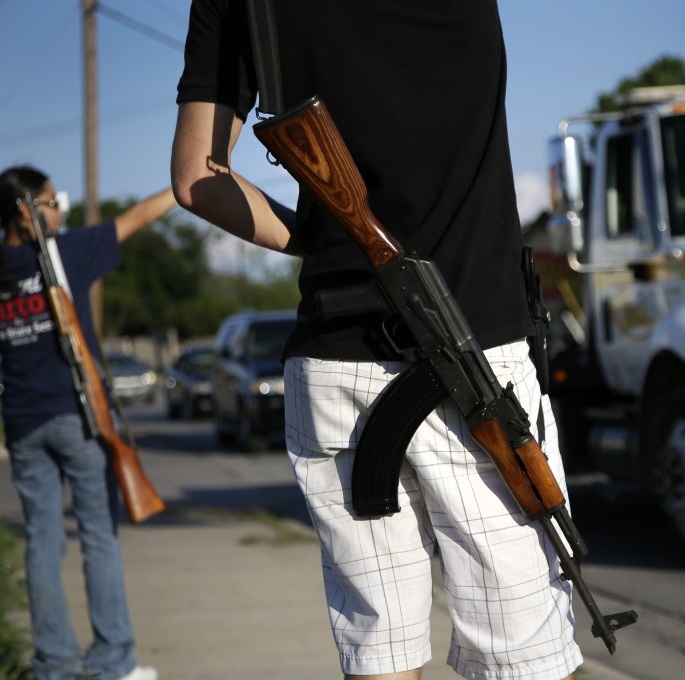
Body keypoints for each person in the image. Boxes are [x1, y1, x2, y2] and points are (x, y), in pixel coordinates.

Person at [171, 2, 584, 679]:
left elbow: (196, 178)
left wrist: (328, 235)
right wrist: (365, 232)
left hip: (335, 365)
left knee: (380, 652)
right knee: (525, 658)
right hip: (480, 355)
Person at [0, 165, 176, 680]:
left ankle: (54, 666)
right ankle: (111, 664)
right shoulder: (67, 254)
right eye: (53, 200)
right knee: (99, 537)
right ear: (27, 210)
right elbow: (138, 218)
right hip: (76, 415)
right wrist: (193, 181)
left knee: (41, 541)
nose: (62, 208)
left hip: (21, 422)